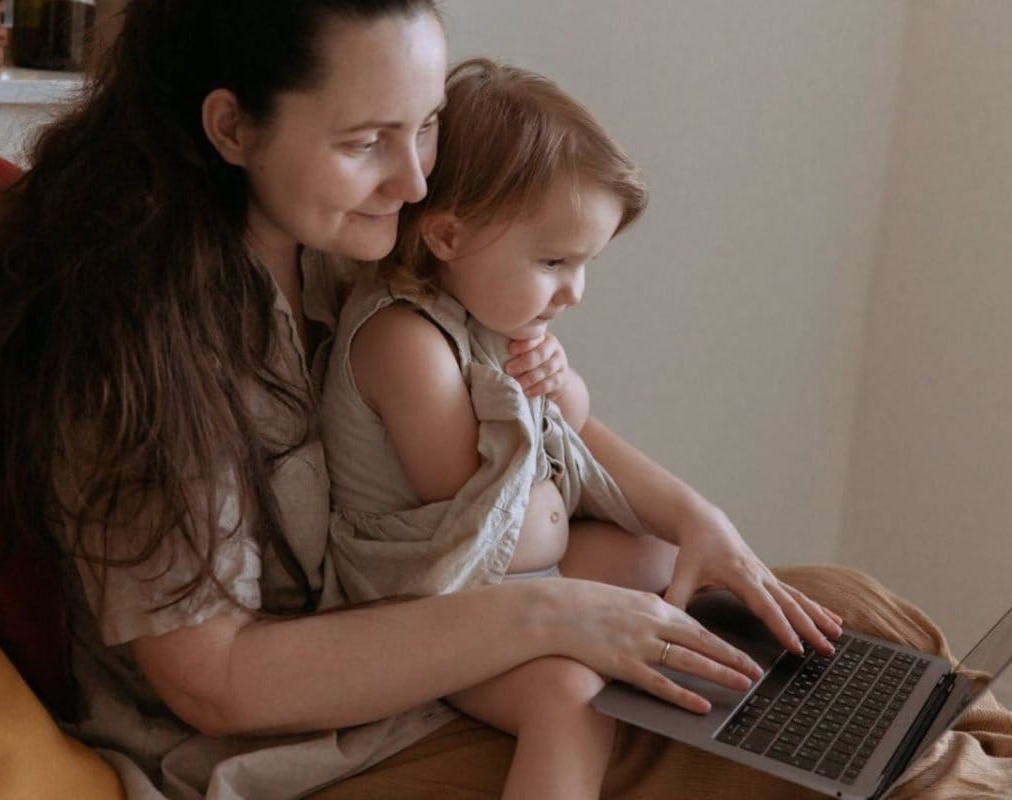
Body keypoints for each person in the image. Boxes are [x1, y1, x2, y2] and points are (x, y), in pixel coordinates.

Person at [0, 1, 1012, 798]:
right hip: (297, 748)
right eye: (372, 138)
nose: (422, 178)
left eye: (426, 127)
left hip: (454, 639)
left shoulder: (353, 244)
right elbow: (209, 674)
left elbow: (525, 416)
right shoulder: (127, 345)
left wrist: (693, 519)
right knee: (728, 753)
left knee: (839, 617)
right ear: (230, 125)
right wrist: (554, 615)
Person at [319, 57, 844, 800]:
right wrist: (533, 414)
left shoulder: (489, 317)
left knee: (664, 555)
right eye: (554, 261)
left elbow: (571, 431)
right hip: (434, 606)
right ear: (447, 236)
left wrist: (556, 385)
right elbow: (481, 502)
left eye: (586, 263)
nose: (574, 291)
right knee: (570, 701)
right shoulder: (405, 343)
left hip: (514, 583)